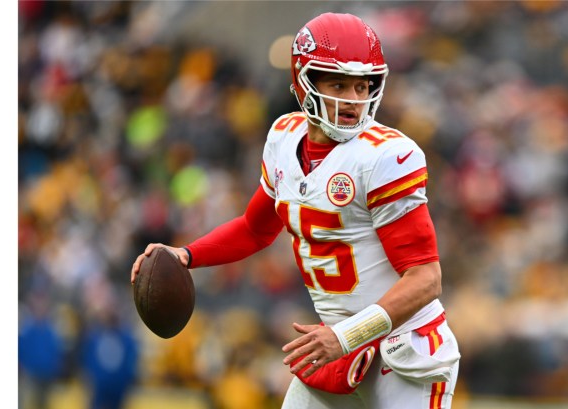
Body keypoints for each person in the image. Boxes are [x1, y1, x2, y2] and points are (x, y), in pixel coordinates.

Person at [131, 12, 460, 408]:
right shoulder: (285, 139)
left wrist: (345, 336)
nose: (354, 99)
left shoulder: (386, 157)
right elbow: (255, 229)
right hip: (336, 347)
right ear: (305, 83)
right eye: (339, 84)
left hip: (404, 351)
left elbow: (425, 279)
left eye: (362, 86)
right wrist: (185, 255)